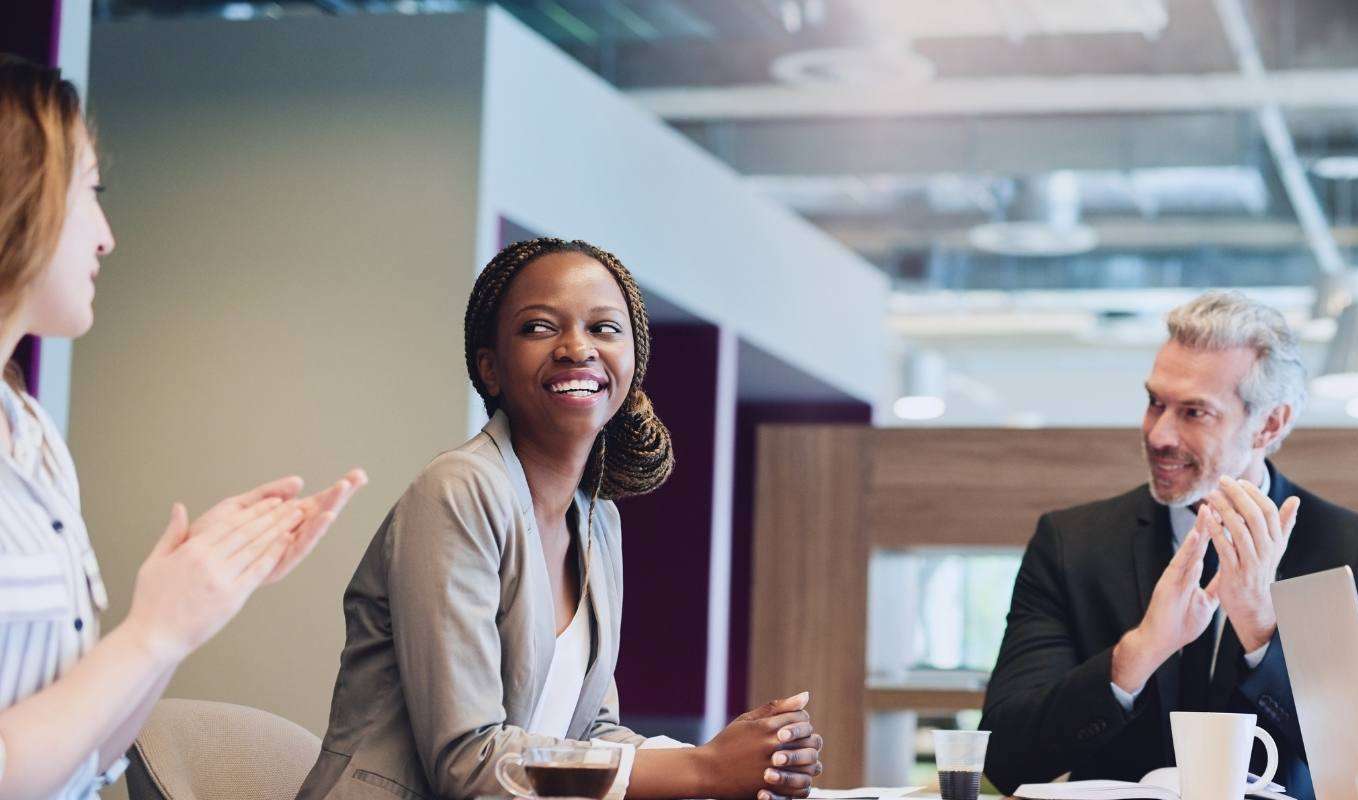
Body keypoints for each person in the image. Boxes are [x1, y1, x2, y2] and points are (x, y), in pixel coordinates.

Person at [300, 238, 822, 800]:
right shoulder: (458, 491)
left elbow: (586, 733)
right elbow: (468, 763)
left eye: (603, 328)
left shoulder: (598, 522)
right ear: (491, 369)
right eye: (539, 327)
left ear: (631, 363)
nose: (578, 347)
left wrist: (735, 758)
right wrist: (703, 772)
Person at [0, 56, 366, 799]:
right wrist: (151, 633)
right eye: (89, 193)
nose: (105, 237)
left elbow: (90, 755)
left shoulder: (31, 438)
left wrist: (191, 607)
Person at [981, 291, 1358, 800]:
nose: (1159, 435)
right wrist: (1138, 653)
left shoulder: (1354, 553)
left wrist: (1261, 633)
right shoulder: (1072, 544)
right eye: (1155, 403)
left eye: (1194, 413)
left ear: (1269, 424)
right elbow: (1002, 758)